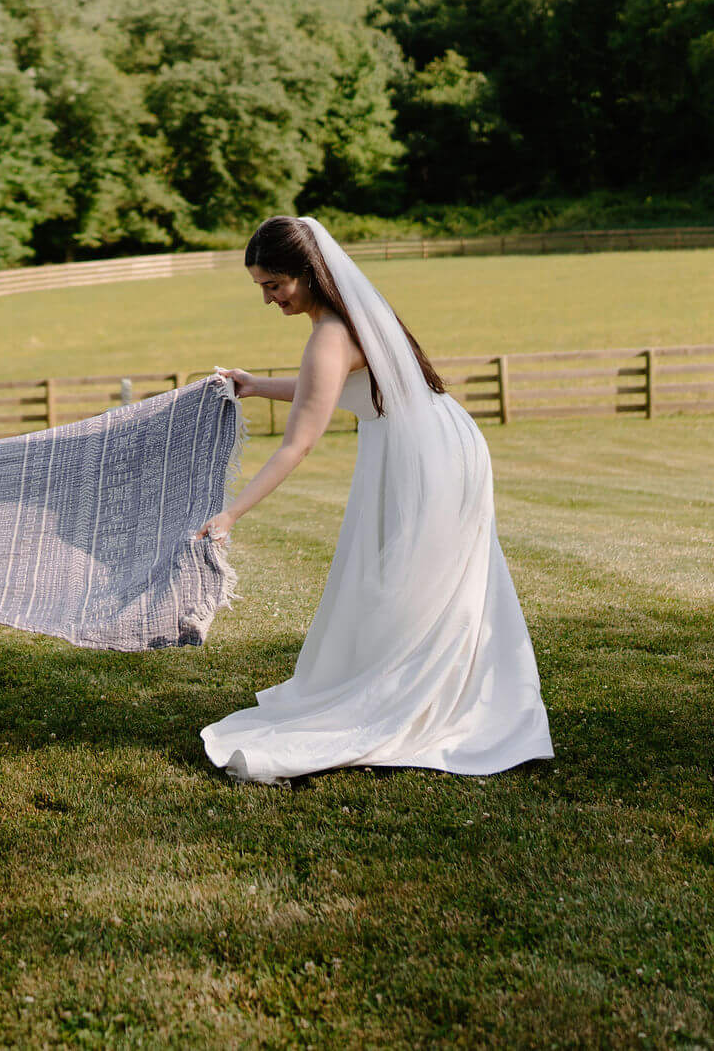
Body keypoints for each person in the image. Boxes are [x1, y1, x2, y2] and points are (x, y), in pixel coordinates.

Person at [195, 215, 553, 780]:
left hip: (425, 458)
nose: (268, 299)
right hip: (441, 439)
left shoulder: (332, 332)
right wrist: (257, 384)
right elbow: (327, 386)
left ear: (309, 274)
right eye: (261, 287)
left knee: (416, 585)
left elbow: (299, 444)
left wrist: (231, 513)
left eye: (274, 285)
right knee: (418, 582)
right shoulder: (348, 321)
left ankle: (422, 709)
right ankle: (446, 699)